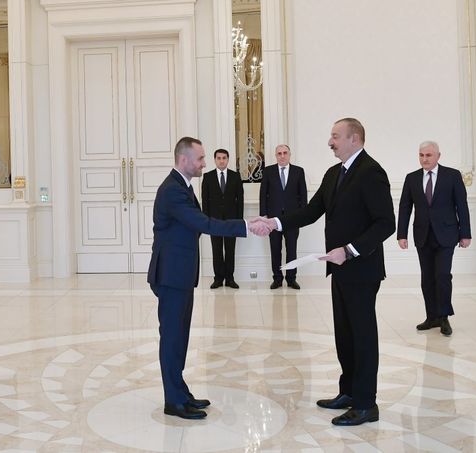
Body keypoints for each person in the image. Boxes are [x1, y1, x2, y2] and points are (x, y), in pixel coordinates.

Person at [259, 118, 395, 426]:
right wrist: (275, 223)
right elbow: (310, 211)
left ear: (354, 139)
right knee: (344, 335)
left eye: (335, 136)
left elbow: (386, 223)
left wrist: (349, 250)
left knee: (362, 336)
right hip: (339, 269)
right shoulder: (334, 173)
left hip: (361, 269)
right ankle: (348, 392)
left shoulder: (371, 172)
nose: (330, 142)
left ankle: (366, 404)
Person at [147, 136, 268, 420]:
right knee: (172, 338)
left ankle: (180, 393)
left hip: (180, 274)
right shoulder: (172, 190)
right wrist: (246, 226)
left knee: (180, 336)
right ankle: (173, 401)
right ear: (184, 160)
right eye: (200, 158)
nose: (204, 163)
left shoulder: (183, 186)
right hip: (171, 275)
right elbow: (203, 223)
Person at [397, 141, 471, 337]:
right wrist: (401, 234)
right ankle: (432, 317)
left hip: (447, 235)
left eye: (428, 155)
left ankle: (444, 316)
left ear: (438, 156)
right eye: (421, 155)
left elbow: (461, 205)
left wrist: (465, 234)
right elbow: (405, 207)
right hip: (423, 235)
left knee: (443, 276)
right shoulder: (411, 178)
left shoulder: (452, 176)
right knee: (427, 278)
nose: (424, 159)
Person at [260, 144, 308, 289]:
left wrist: (303, 215)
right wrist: (263, 216)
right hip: (273, 219)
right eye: (279, 153)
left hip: (292, 219)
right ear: (276, 156)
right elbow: (263, 194)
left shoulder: (298, 171)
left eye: (285, 153)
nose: (282, 156)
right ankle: (277, 278)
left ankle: (291, 278)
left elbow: (303, 194)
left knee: (291, 249)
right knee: (275, 249)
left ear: (289, 154)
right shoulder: (268, 171)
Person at [201, 149, 244, 289]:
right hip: (214, 220)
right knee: (217, 249)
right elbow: (205, 200)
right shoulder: (208, 177)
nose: (221, 161)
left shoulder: (235, 176)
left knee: (230, 249)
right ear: (214, 160)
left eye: (224, 158)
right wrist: (206, 220)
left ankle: (230, 278)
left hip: (232, 220)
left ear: (228, 159)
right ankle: (218, 278)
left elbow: (240, 200)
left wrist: (240, 221)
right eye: (218, 158)